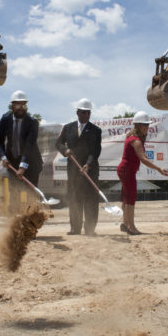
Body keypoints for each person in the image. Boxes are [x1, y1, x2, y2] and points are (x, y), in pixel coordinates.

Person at [55, 98, 102, 235]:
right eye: (83, 112)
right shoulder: (68, 128)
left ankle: (90, 229)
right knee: (75, 199)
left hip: (90, 171)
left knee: (91, 200)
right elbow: (58, 143)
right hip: (74, 171)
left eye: (88, 113)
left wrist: (88, 164)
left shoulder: (95, 130)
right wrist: (65, 151)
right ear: (77, 113)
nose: (86, 115)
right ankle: (75, 228)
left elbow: (95, 151)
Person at [117, 111, 168, 235]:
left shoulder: (132, 137)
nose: (147, 127)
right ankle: (132, 227)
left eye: (147, 125)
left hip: (125, 170)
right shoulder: (136, 141)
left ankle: (125, 224)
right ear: (138, 125)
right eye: (144, 125)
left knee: (126, 197)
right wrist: (159, 169)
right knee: (130, 198)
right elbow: (144, 159)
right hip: (127, 171)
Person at [0, 90, 43, 214]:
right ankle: (15, 226)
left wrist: (23, 166)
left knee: (30, 197)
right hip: (12, 164)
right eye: (18, 105)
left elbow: (29, 145)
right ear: (12, 106)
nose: (21, 108)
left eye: (24, 105)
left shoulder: (32, 122)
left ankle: (30, 227)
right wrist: (3, 157)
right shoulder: (5, 119)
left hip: (31, 164)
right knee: (14, 195)